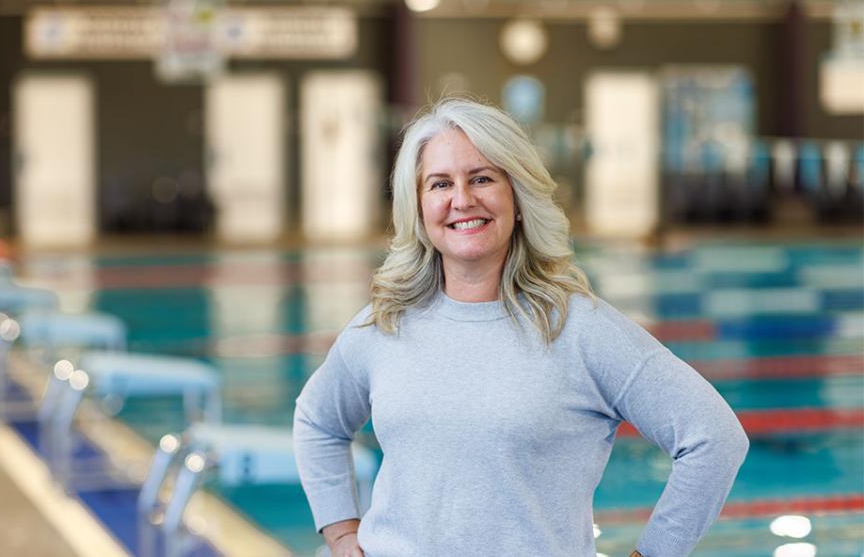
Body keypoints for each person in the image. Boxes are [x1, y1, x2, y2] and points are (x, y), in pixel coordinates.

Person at [292, 98, 749, 557]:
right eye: (440, 184)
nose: (462, 200)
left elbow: (714, 438)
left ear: (518, 196)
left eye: (482, 178)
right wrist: (340, 531)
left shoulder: (580, 329)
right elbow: (317, 420)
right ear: (419, 206)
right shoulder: (385, 322)